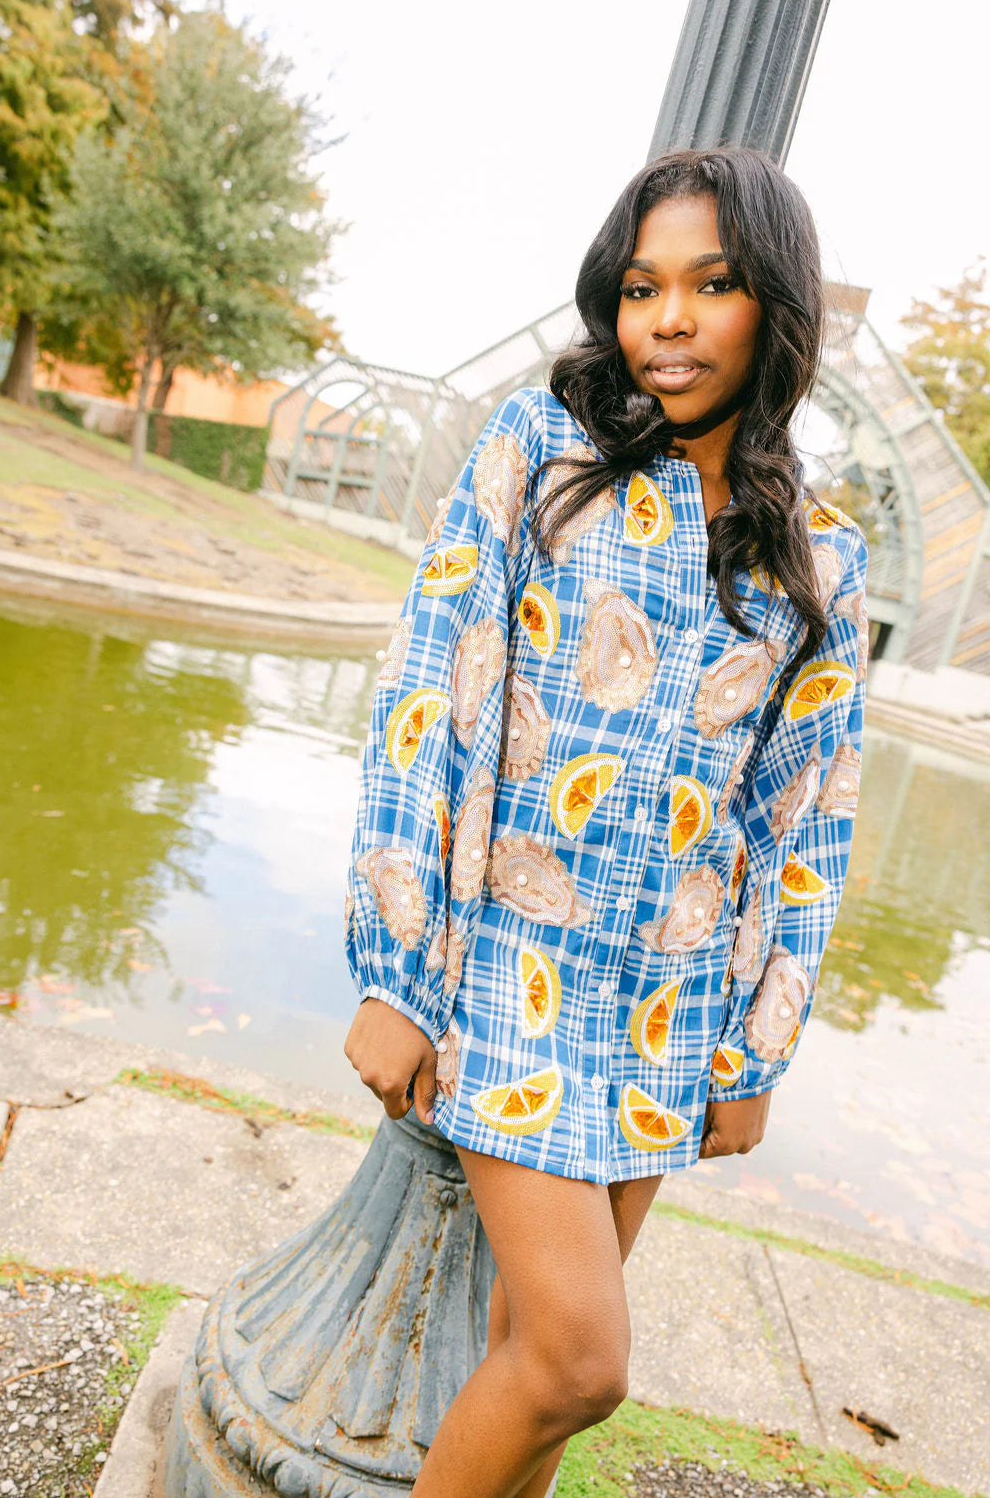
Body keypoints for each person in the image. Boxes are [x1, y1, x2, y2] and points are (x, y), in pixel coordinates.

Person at [342, 145, 868, 1498]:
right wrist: (398, 970)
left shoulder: (821, 553)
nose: (669, 319)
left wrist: (757, 1047)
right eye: (642, 288)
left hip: (665, 1012)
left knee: (535, 1369)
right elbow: (431, 691)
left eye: (712, 283)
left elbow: (803, 818)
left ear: (776, 304)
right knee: (582, 1363)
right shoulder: (540, 451)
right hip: (508, 970)